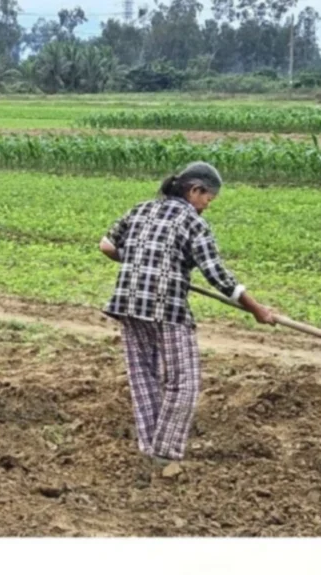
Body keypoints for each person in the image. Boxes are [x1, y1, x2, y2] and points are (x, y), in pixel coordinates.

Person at [100, 161, 276, 476]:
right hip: (164, 306)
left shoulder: (141, 209)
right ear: (194, 190)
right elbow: (218, 276)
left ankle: (150, 447)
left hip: (127, 302)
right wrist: (257, 309)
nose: (207, 206)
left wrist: (139, 260)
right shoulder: (192, 223)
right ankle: (165, 454)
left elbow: (107, 245)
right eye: (208, 199)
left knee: (144, 376)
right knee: (185, 381)